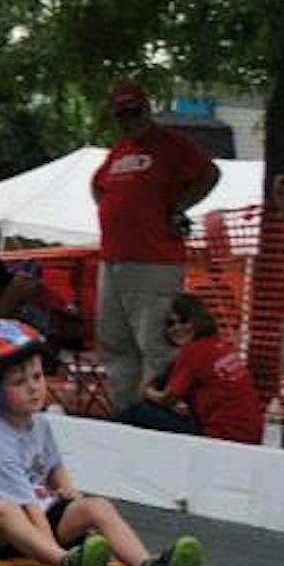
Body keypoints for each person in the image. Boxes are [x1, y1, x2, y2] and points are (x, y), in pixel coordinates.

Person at [0, 318, 202, 566]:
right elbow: (27, 507)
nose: (34, 387)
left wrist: (69, 492)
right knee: (4, 510)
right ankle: (66, 564)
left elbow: (53, 466)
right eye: (19, 382)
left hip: (37, 516)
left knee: (97, 506)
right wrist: (54, 558)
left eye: (37, 377)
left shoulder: (40, 425)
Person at [91, 81, 216, 413]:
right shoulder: (119, 151)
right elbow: (97, 186)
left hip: (154, 262)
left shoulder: (172, 145)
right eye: (122, 115)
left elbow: (209, 174)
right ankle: (126, 413)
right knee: (115, 343)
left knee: (155, 345)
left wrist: (177, 207)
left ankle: (156, 417)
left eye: (134, 111)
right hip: (113, 260)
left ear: (147, 109)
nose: (128, 120)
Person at [119, 294, 263, 442]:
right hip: (250, 434)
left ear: (198, 321)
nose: (177, 328)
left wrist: (147, 391)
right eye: (170, 323)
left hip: (220, 434)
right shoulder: (220, 346)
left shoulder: (193, 352)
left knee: (138, 412)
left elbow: (167, 399)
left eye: (184, 320)